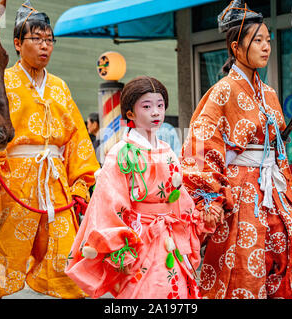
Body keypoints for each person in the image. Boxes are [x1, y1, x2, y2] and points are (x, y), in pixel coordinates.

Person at [181, 0, 292, 299]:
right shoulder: (222, 91)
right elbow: (201, 145)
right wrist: (210, 198)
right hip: (241, 194)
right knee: (244, 270)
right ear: (235, 47)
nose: (266, 47)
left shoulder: (269, 94)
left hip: (274, 192)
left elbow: (279, 151)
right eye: (257, 41)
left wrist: (288, 191)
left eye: (268, 40)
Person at [0, 0, 99, 299]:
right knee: (2, 259)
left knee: (65, 256)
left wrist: (80, 184)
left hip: (55, 183)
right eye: (37, 39)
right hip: (13, 182)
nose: (45, 46)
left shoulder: (60, 86)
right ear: (18, 44)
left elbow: (77, 140)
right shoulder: (0, 82)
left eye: (49, 40)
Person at [65, 76, 216, 299]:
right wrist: (120, 248)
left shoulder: (167, 151)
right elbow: (107, 205)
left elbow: (179, 198)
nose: (156, 112)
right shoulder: (120, 153)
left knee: (176, 290)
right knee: (145, 292)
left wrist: (198, 219)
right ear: (130, 113)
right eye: (147, 106)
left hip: (169, 236)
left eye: (160, 105)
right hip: (138, 239)